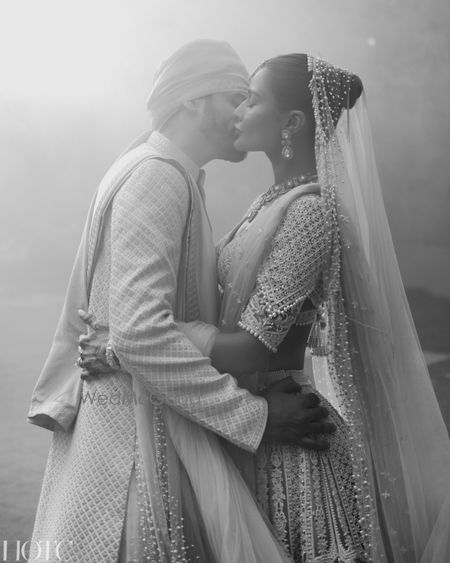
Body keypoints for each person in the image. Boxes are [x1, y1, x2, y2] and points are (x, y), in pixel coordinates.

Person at [81, 53, 450, 562]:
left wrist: (127, 345)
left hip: (288, 451)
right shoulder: (269, 202)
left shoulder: (310, 214)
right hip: (247, 430)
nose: (238, 111)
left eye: (252, 99)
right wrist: (124, 333)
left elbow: (253, 349)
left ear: (291, 122)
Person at [27, 41, 335, 563]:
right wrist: (255, 417)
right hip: (132, 453)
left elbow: (133, 328)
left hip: (142, 430)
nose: (241, 111)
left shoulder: (160, 172)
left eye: (249, 100)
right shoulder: (158, 176)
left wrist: (114, 344)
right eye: (236, 95)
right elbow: (141, 332)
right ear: (193, 100)